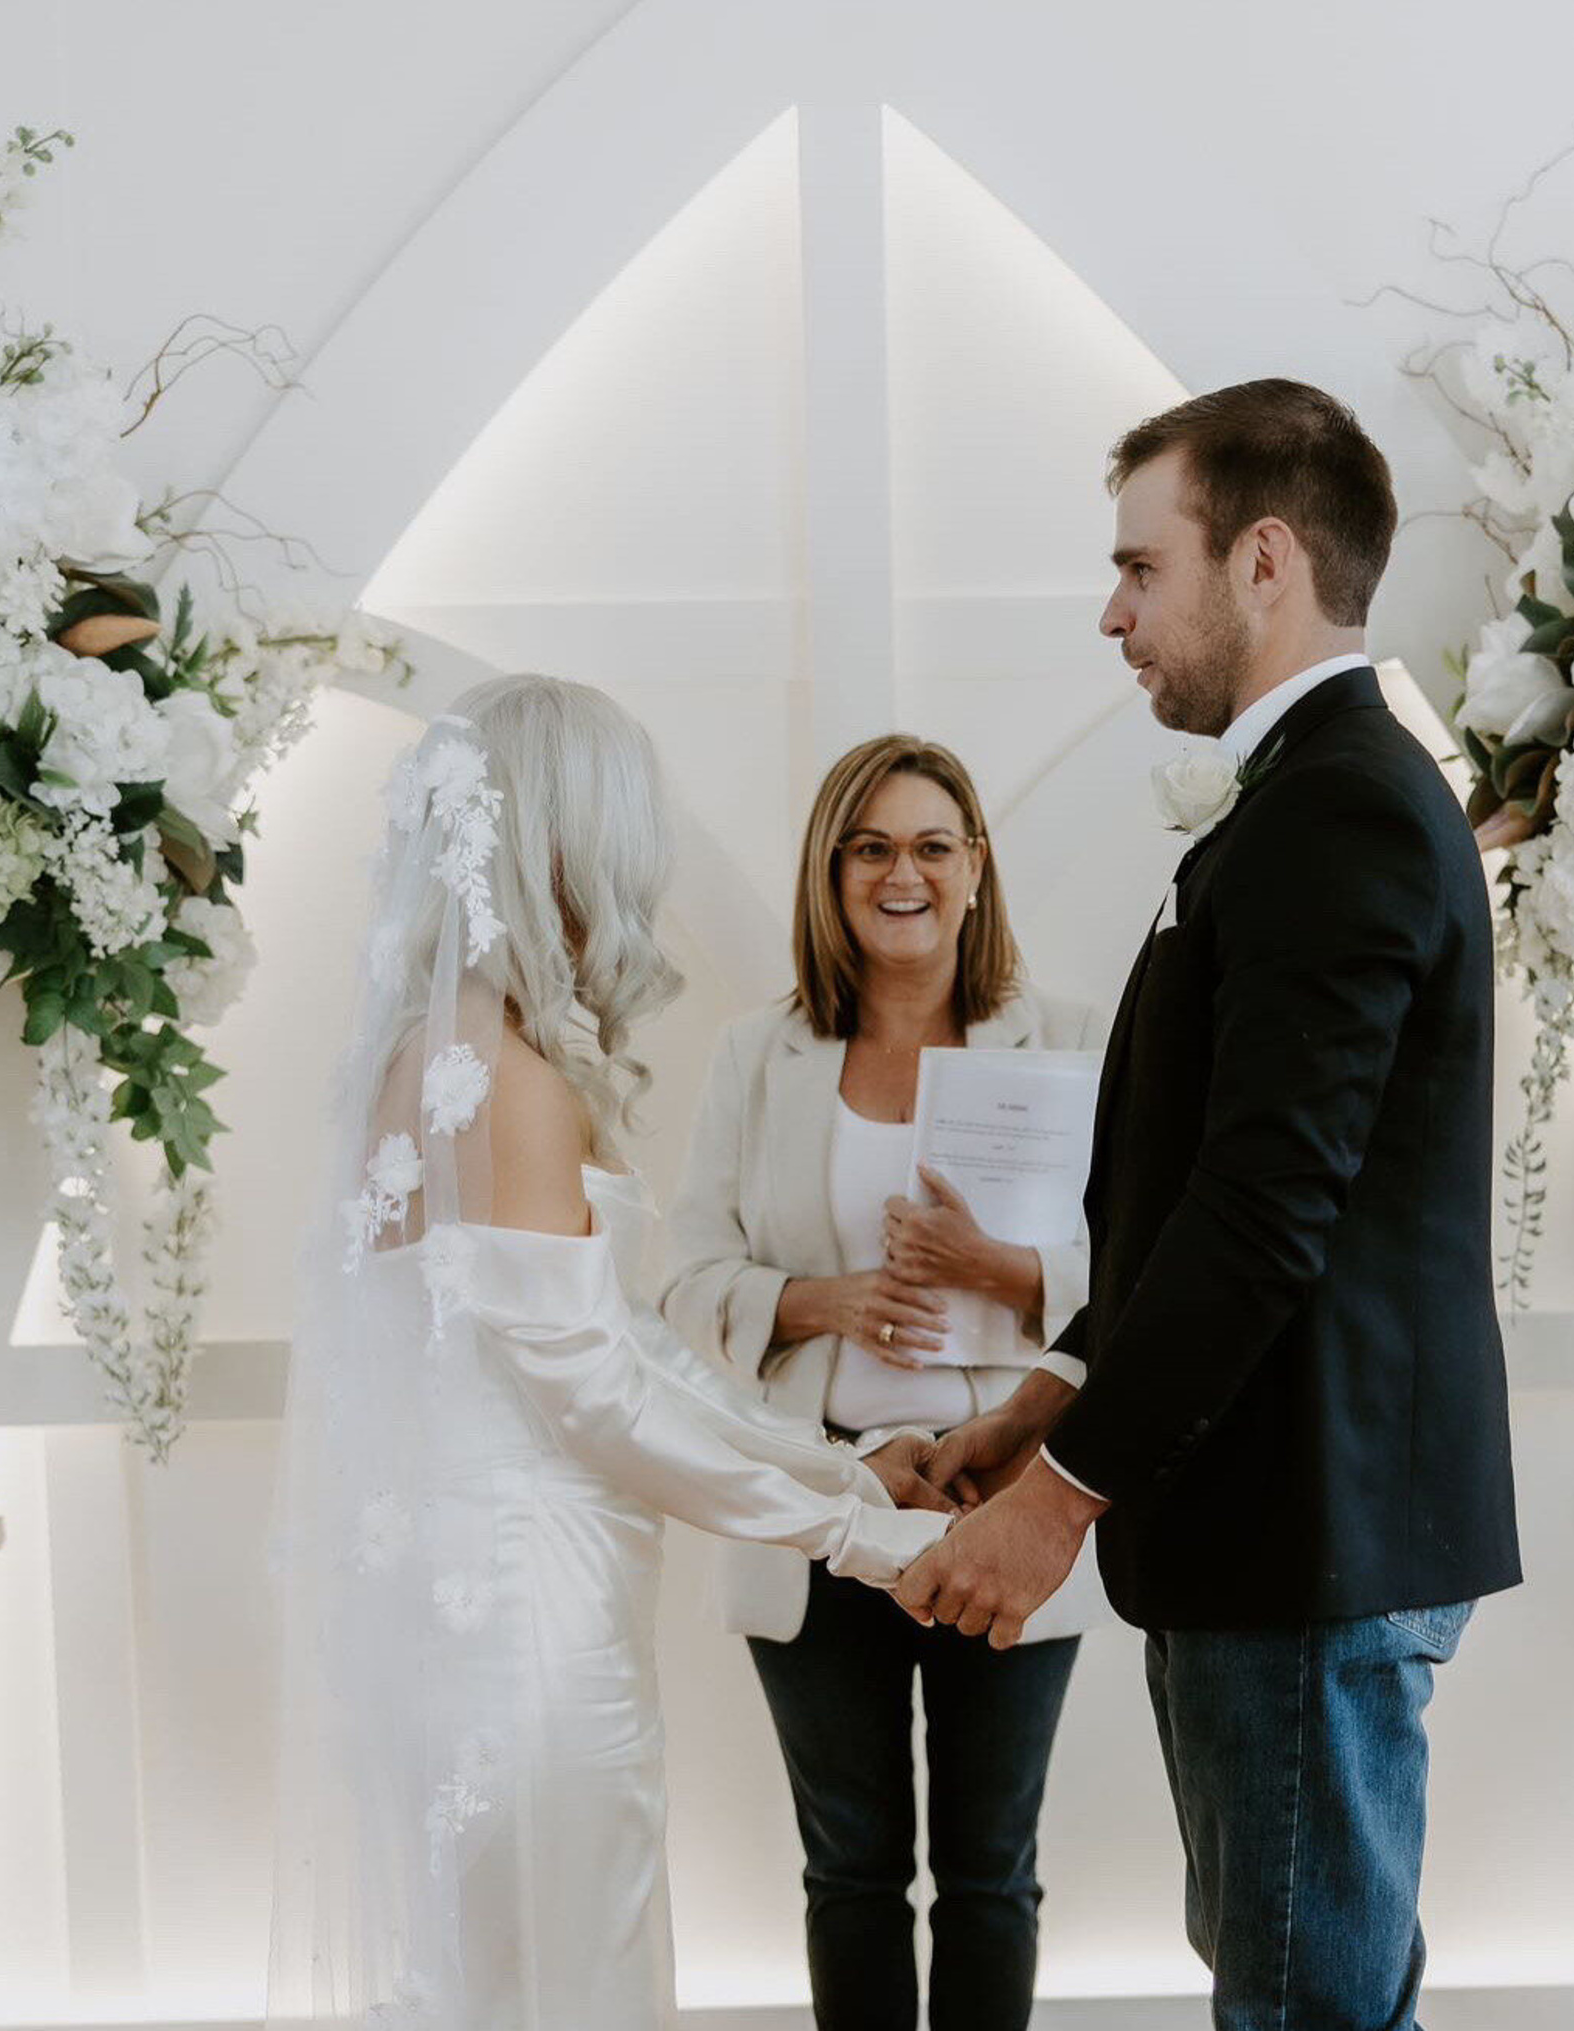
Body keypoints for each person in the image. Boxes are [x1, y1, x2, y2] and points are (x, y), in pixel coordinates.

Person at [896, 381, 1524, 2031]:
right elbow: (1200, 1203)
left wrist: (1057, 1506)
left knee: (1307, 2014)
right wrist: (1046, 1405)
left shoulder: (1340, 813)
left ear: (1261, 561)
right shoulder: (1311, 803)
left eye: (1136, 568)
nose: (1112, 615)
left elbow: (1264, 1216)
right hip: (1276, 1525)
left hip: (1307, 1533)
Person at [266, 677, 948, 2031]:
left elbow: (608, 1338)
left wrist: (841, 1469)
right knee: (572, 1967)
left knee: (495, 1971)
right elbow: (597, 1391)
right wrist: (860, 1535)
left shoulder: (424, 1054)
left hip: (446, 1607)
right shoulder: (507, 1073)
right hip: (527, 1613)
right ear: (568, 845)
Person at [659, 733, 1105, 2031]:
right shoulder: (759, 1055)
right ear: (830, 872)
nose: (898, 873)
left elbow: (1139, 1270)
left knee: (990, 1876)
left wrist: (1003, 1267)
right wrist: (818, 1299)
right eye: (870, 847)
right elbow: (684, 1280)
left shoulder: (1065, 1042)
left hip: (1001, 1503)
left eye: (929, 845)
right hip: (819, 1500)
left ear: (976, 868)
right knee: (849, 1872)